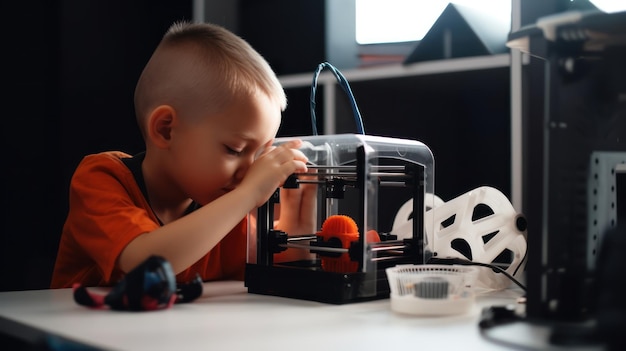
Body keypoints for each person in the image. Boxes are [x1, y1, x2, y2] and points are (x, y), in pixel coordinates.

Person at [51, 21, 317, 289]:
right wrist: (248, 194)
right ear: (166, 130)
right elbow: (148, 263)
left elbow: (272, 261)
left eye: (259, 152)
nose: (250, 171)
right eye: (234, 150)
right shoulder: (101, 179)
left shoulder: (223, 209)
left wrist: (298, 234)